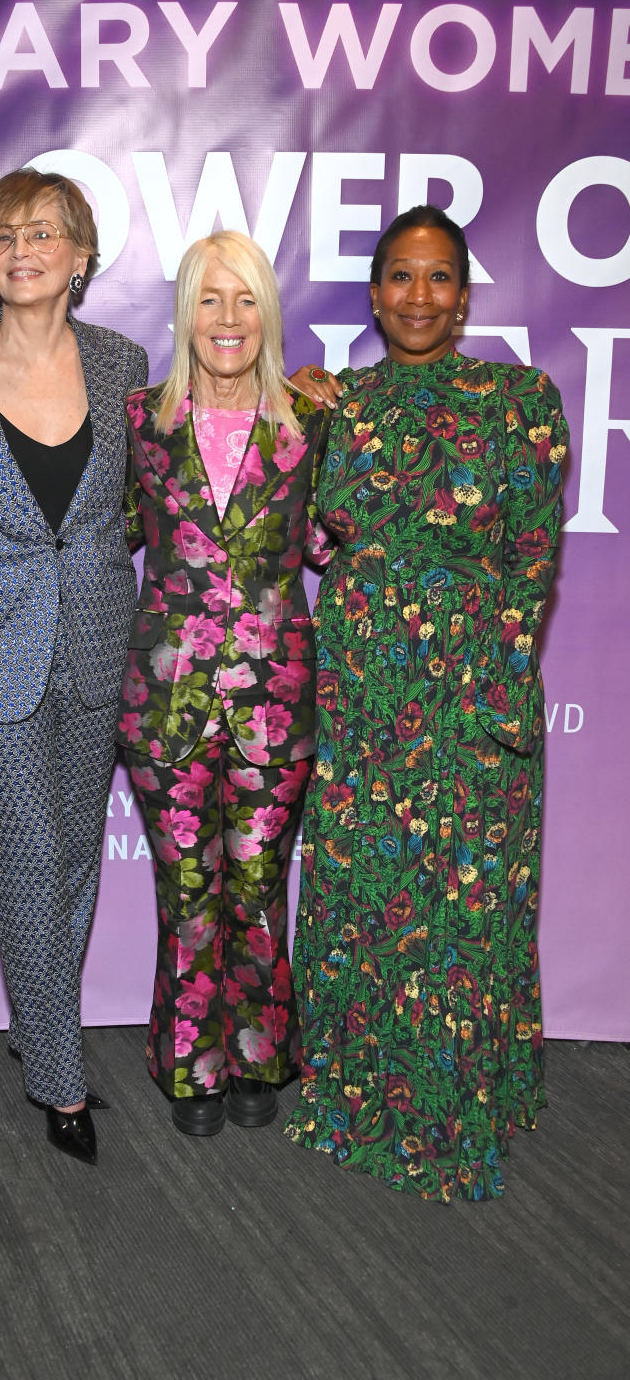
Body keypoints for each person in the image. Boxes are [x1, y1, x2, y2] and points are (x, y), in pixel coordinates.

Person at [285, 205, 568, 1201]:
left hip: (468, 692)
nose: (417, 296)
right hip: (362, 685)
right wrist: (295, 415)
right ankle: (354, 1093)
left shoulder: (519, 399)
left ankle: (460, 1101)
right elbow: (305, 544)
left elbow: (534, 558)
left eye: (438, 277)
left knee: (461, 900)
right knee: (361, 890)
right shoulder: (333, 403)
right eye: (399, 276)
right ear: (372, 293)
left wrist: (501, 683)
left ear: (463, 292)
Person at [0, 169, 148, 1166]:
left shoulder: (123, 360)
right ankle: (57, 1076)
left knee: (76, 858)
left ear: (81, 256)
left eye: (43, 232)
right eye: (3, 233)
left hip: (96, 635)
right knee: (23, 858)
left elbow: (142, 501)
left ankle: (39, 1024)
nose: (21, 248)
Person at [120, 231, 330, 1136]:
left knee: (255, 882)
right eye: (210, 299)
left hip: (274, 705)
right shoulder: (138, 420)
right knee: (188, 891)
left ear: (268, 315)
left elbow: (330, 541)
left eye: (246, 300)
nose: (229, 320)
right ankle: (190, 1064)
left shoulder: (312, 420)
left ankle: (258, 1055)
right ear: (185, 314)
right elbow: (101, 532)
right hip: (164, 701)